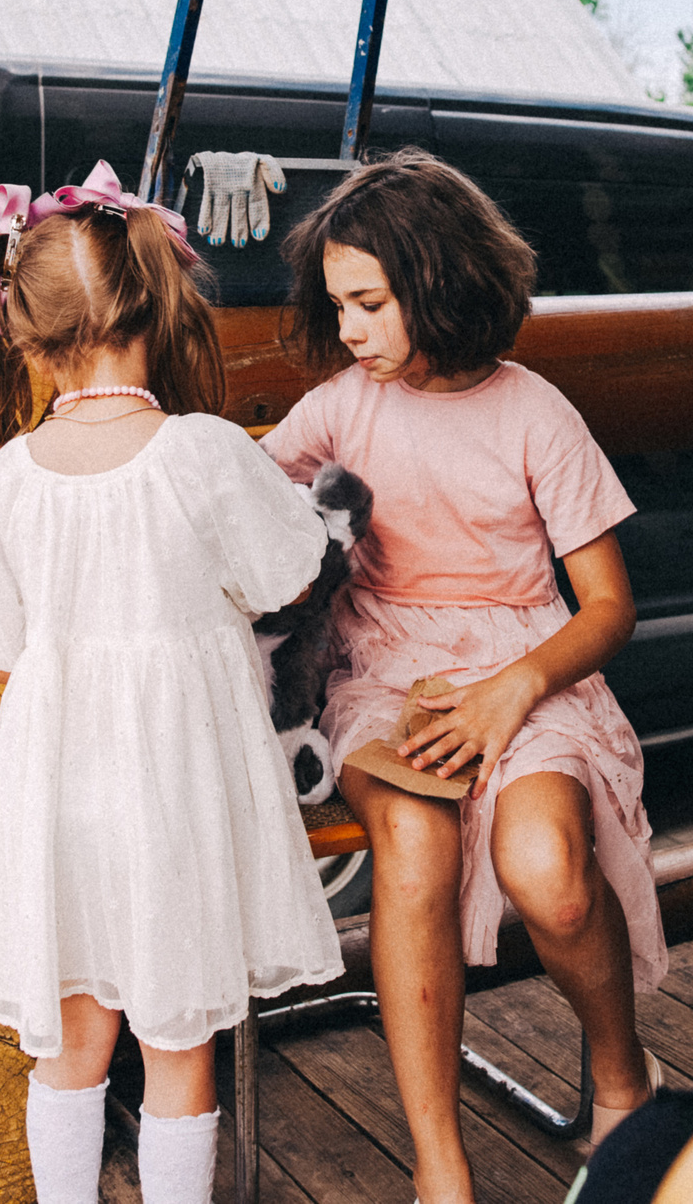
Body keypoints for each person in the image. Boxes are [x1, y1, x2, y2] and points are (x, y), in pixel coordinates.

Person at [265, 151, 664, 1204]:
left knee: (547, 871)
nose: (348, 329)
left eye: (368, 303)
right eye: (337, 305)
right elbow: (247, 502)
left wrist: (508, 692)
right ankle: (440, 1164)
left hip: (524, 670)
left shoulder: (536, 414)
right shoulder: (342, 406)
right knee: (413, 841)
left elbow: (610, 609)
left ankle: (623, 1077)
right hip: (383, 670)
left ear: (438, 283)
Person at [0, 160, 344, 1204]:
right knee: (178, 1048)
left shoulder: (9, 480)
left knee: (71, 1045)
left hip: (61, 803)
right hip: (178, 802)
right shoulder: (203, 455)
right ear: (151, 305)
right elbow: (290, 574)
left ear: (22, 335)